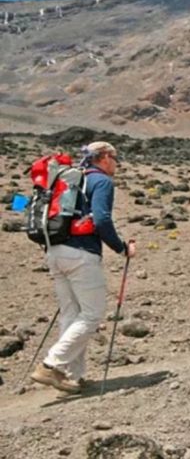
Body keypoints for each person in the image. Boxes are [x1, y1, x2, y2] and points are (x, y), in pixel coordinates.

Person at [30, 141, 137, 394]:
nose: (117, 163)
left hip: (55, 251)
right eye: (115, 157)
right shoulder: (101, 182)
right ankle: (51, 364)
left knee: (71, 313)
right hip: (81, 255)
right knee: (91, 315)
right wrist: (122, 248)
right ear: (104, 157)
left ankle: (70, 375)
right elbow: (101, 219)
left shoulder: (67, 180)